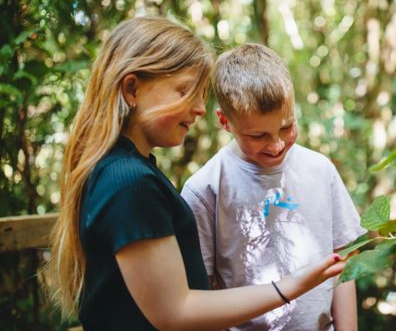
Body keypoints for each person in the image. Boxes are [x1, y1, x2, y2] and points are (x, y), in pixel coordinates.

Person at [48, 17, 346, 330]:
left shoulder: (131, 171)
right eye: (184, 91)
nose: (200, 108)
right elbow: (175, 311)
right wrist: (290, 286)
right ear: (132, 88)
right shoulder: (128, 182)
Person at [181, 43, 366, 331]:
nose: (277, 144)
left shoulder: (320, 170)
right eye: (258, 135)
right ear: (225, 121)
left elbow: (343, 263)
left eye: (287, 127)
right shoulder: (205, 189)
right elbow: (200, 292)